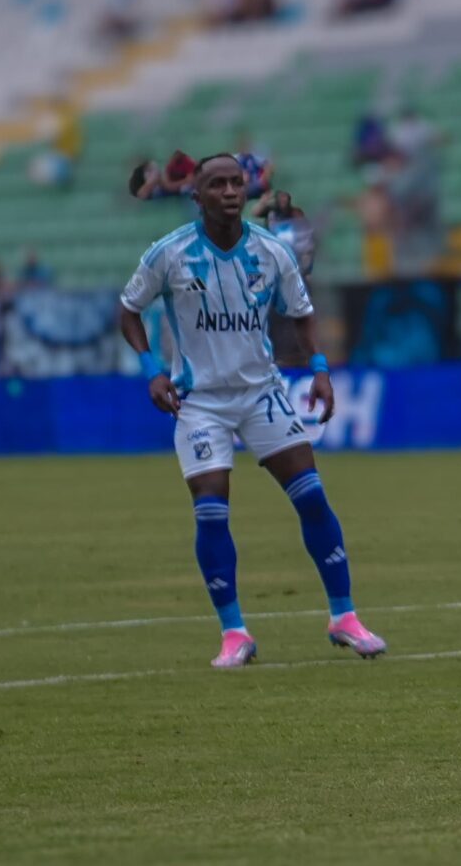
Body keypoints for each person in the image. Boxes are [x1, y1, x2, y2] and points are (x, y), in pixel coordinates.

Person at [114, 153, 386, 667]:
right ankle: (234, 633)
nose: (230, 192)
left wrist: (321, 369)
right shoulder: (168, 254)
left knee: (312, 496)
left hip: (262, 393)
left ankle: (345, 617)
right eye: (217, 184)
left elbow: (302, 315)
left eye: (237, 182)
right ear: (198, 195)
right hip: (199, 403)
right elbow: (128, 310)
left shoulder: (271, 252)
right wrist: (152, 368)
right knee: (212, 510)